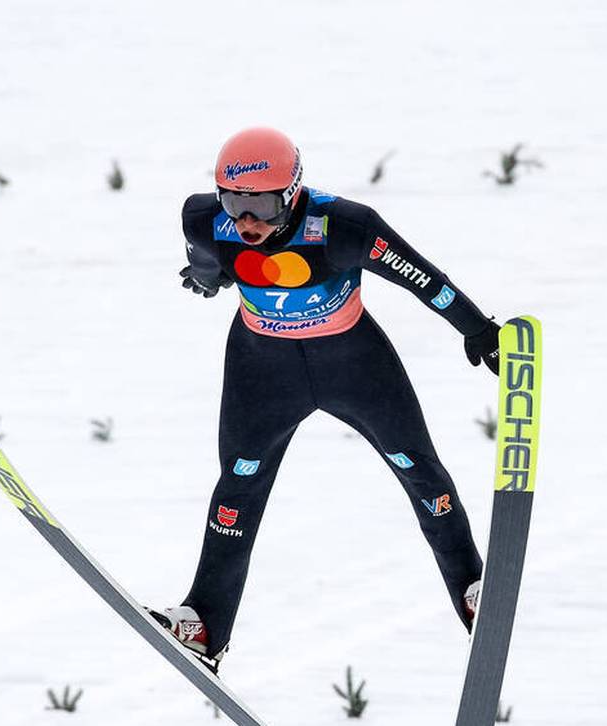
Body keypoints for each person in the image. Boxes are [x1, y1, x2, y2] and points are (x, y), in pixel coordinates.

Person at [150, 127, 501, 672]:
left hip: (353, 362)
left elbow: (424, 279)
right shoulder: (203, 218)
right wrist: (206, 277)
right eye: (234, 203)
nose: (247, 221)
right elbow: (206, 262)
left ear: (292, 192)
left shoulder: (345, 228)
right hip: (262, 368)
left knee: (417, 467)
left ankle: (473, 588)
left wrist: (477, 329)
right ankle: (204, 623)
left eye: (262, 204)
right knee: (237, 486)